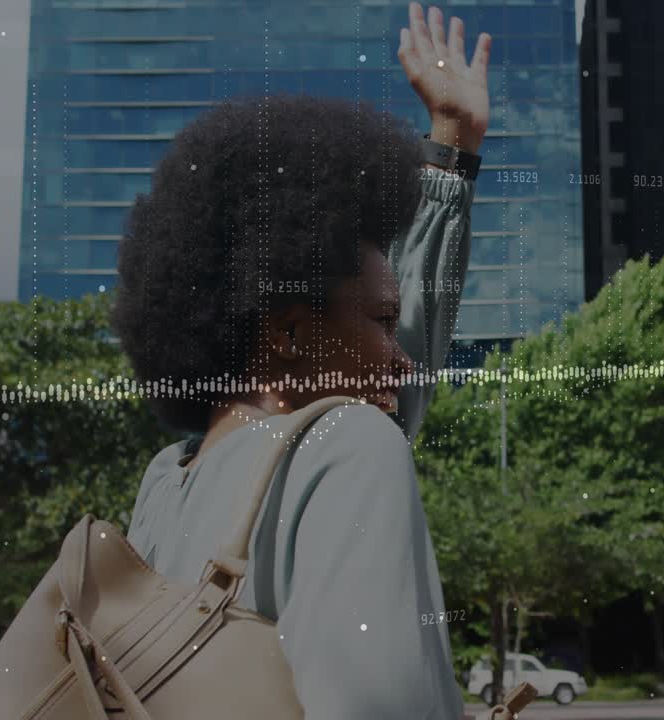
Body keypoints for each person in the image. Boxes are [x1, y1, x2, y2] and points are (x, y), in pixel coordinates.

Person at [110, 3, 492, 718]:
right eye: (382, 322)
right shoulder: (347, 446)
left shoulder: (166, 482)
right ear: (287, 335)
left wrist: (450, 148)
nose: (403, 359)